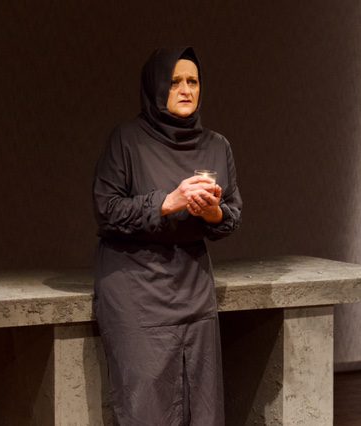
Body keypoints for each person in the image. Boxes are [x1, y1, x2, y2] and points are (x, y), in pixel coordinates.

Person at [92, 47, 242, 425]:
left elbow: (231, 215)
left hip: (193, 287)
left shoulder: (217, 145)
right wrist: (167, 202)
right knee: (146, 406)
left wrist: (212, 212)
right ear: (156, 87)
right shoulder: (127, 140)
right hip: (137, 288)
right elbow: (106, 209)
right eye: (174, 82)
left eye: (193, 81)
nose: (186, 90)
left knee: (202, 406)